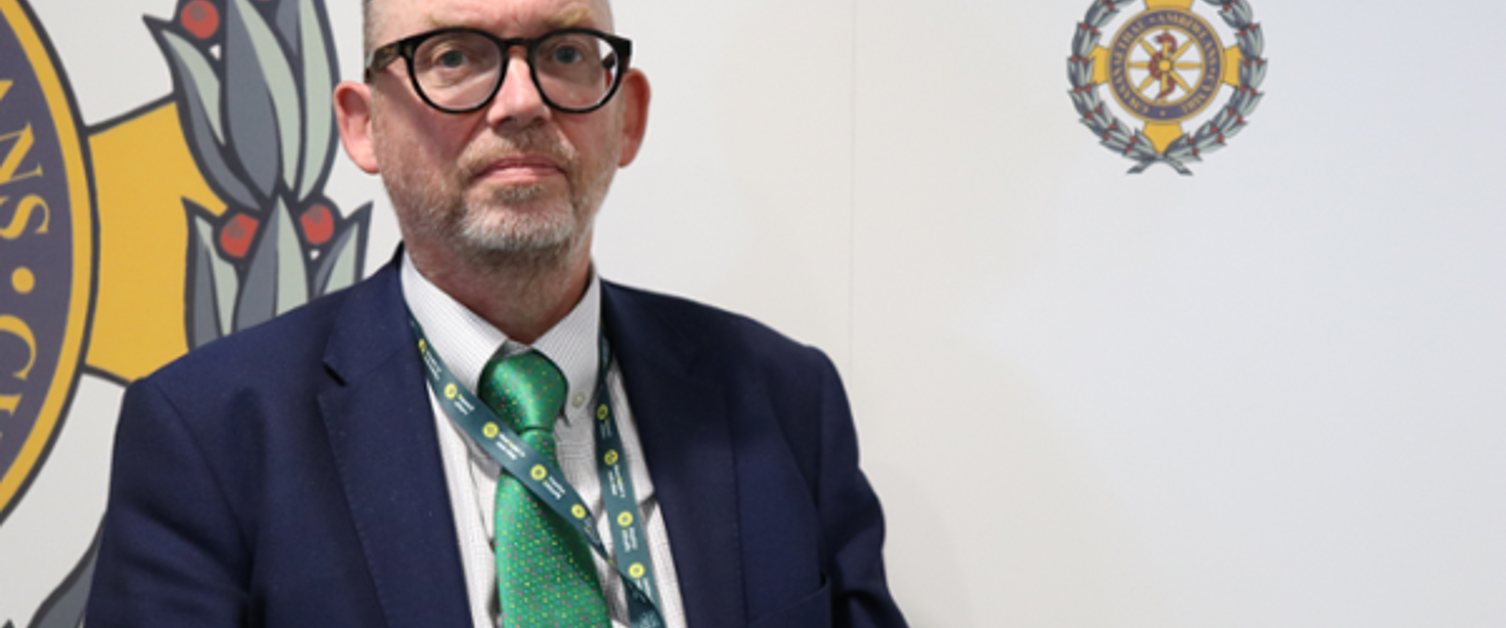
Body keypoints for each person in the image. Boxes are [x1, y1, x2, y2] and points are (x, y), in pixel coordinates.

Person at [86, 0, 908, 626]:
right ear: (363, 126)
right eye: (454, 56)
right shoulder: (210, 437)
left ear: (627, 115)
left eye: (565, 52)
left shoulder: (783, 399)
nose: (521, 102)